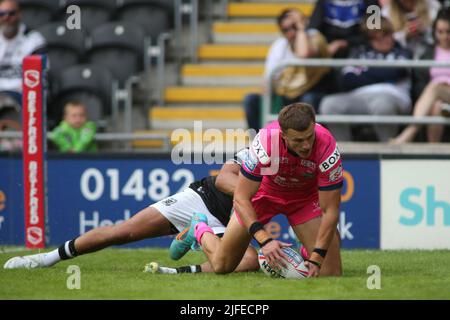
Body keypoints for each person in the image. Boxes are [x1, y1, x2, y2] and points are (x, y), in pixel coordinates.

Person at [3, 149, 260, 275]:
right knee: (124, 232)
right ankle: (46, 258)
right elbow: (223, 178)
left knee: (250, 262)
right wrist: (249, 196)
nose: (303, 146)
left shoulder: (300, 173)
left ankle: (182, 259)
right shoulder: (261, 152)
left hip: (231, 222)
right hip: (201, 198)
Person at [170, 103, 343, 277]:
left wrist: (317, 257)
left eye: (309, 137)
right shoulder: (265, 143)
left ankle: (306, 251)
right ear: (283, 135)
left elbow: (330, 210)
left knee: (330, 273)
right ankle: (199, 227)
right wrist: (265, 240)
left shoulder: (328, 148)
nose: (306, 145)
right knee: (222, 265)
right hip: (264, 195)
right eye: (298, 140)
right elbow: (241, 197)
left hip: (303, 200)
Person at [319, 16, 413, 142]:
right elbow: (347, 79)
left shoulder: (402, 51)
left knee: (382, 104)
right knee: (329, 104)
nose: (382, 40)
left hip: (391, 95)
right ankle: (343, 152)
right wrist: (382, 73)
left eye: (385, 34)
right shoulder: (359, 52)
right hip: (359, 97)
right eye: (375, 37)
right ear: (369, 39)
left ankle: (389, 149)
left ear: (392, 33)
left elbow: (397, 71)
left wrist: (365, 72)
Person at [244, 8, 338, 132]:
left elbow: (303, 53)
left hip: (313, 92)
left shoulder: (314, 36)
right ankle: (261, 145)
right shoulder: (280, 45)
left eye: (295, 26)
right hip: (287, 94)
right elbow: (267, 80)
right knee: (251, 100)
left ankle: (309, 145)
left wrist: (301, 29)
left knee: (306, 102)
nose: (292, 32)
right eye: (286, 29)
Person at [392, 7, 450, 144]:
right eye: (440, 32)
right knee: (436, 107)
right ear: (434, 32)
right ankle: (433, 151)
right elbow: (420, 84)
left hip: (441, 91)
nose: (444, 36)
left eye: (449, 32)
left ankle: (410, 131)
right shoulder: (427, 53)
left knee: (436, 87)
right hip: (438, 101)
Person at [0, 0, 46, 112]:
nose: (7, 17)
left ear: (19, 14)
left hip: (23, 93)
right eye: (2, 14)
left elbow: (40, 75)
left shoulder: (34, 40)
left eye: (11, 13)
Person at [308, 0, 380, 58]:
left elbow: (375, 32)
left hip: (359, 47)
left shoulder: (372, 3)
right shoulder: (323, 2)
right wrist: (323, 48)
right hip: (329, 48)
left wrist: (346, 43)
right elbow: (313, 29)